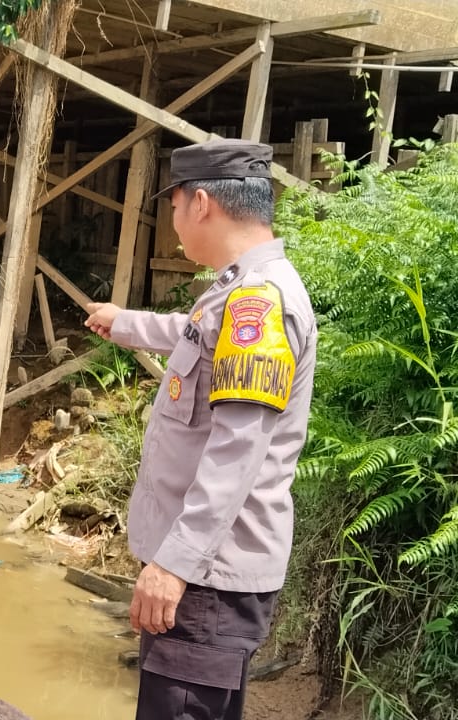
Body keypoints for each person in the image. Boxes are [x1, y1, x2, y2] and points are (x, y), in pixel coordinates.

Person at [83, 139, 318, 720]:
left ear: (202, 203)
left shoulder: (258, 303)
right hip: (206, 574)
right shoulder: (237, 291)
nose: (175, 223)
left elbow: (237, 451)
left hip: (207, 579)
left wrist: (172, 566)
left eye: (175, 207)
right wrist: (125, 323)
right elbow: (192, 334)